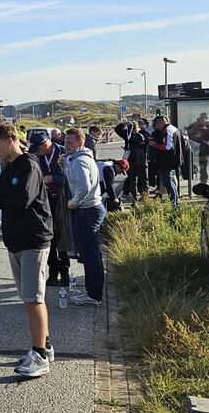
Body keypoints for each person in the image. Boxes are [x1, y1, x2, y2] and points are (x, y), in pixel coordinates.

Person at [0, 121, 54, 378]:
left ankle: (39, 354)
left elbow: (20, 199)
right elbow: (2, 200)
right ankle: (45, 345)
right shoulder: (9, 168)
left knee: (33, 298)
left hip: (33, 240)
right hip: (17, 240)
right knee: (30, 297)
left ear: (10, 140)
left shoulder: (28, 165)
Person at [63, 128, 105, 306]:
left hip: (88, 210)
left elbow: (84, 186)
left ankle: (94, 295)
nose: (66, 146)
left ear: (80, 143)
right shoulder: (78, 158)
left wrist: (73, 202)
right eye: (65, 142)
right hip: (90, 209)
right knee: (91, 254)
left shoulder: (80, 161)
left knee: (90, 255)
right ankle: (93, 292)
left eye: (70, 143)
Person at [28, 131, 70, 287]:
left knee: (62, 237)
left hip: (62, 200)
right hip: (45, 201)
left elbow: (70, 177)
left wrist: (53, 178)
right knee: (48, 237)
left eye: (38, 149)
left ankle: (65, 274)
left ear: (45, 144)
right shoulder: (37, 156)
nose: (37, 153)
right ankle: (52, 274)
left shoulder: (63, 152)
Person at [149, 115, 184, 205]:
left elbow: (167, 146)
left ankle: (174, 202)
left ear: (161, 122)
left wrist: (154, 144)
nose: (155, 127)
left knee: (167, 182)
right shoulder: (173, 128)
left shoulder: (167, 131)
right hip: (172, 159)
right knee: (170, 181)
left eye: (156, 124)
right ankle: (176, 200)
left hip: (167, 161)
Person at [114, 118, 149, 201]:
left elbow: (150, 139)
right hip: (133, 160)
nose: (133, 128)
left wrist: (143, 141)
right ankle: (135, 197)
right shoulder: (128, 135)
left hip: (140, 159)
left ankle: (144, 196)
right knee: (133, 179)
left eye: (134, 126)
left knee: (142, 179)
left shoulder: (142, 133)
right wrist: (124, 124)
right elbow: (117, 129)